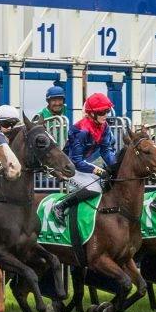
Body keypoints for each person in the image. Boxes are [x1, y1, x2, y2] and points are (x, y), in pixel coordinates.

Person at [52, 93, 121, 223]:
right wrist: (100, 172)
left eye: (107, 111)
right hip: (68, 167)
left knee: (107, 182)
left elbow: (106, 150)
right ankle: (60, 206)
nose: (105, 114)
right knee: (94, 189)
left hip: (82, 164)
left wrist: (115, 168)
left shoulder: (104, 126)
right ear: (91, 113)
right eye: (101, 112)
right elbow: (76, 161)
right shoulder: (80, 131)